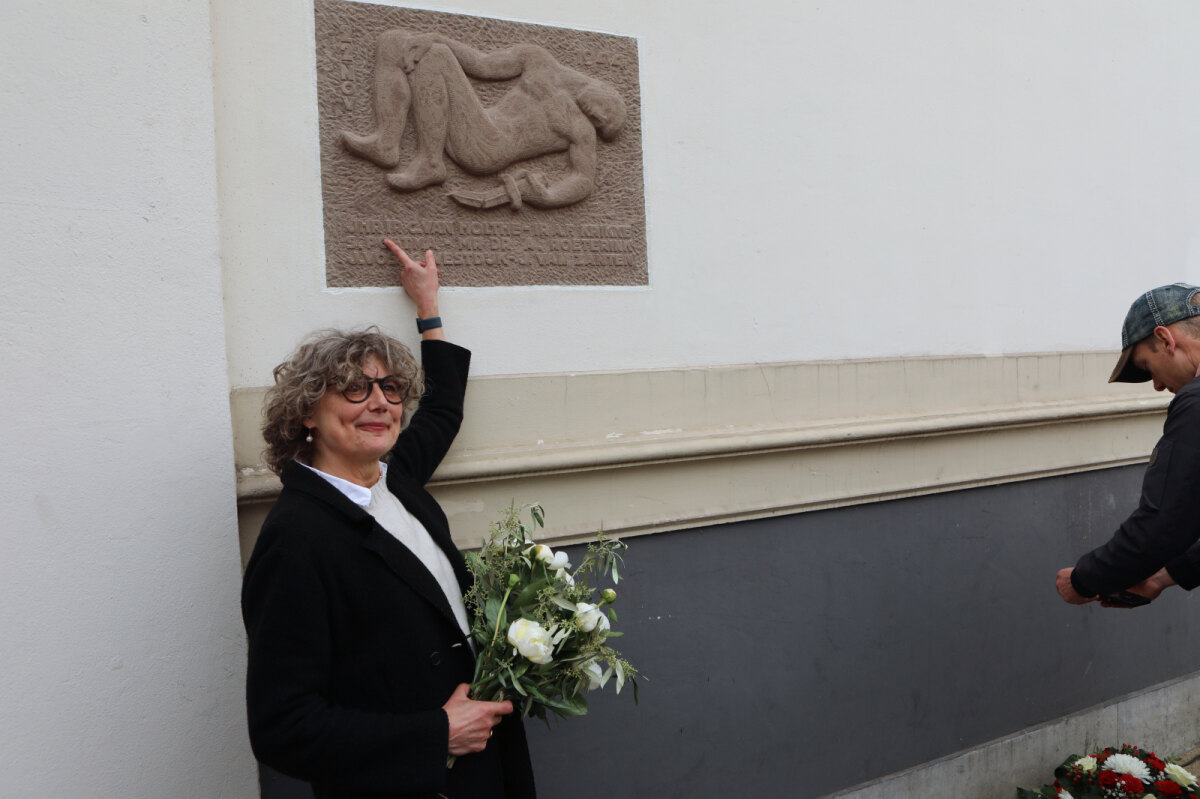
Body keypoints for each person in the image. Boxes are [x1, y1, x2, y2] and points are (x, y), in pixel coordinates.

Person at [241, 240, 536, 798]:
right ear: (306, 411)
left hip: (487, 768)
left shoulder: (394, 478)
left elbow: (444, 408)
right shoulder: (296, 541)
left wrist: (429, 310)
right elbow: (282, 729)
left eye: (390, 388)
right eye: (355, 388)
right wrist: (436, 734)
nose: (380, 402)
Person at [340, 31, 627, 209]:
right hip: (477, 120)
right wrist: (436, 36)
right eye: (608, 113)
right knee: (395, 42)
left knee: (437, 56)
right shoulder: (538, 59)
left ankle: (430, 162)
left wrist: (549, 197)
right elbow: (482, 64)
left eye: (604, 126)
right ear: (607, 90)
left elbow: (583, 178)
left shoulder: (580, 128)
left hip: (488, 149)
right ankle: (386, 142)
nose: (599, 120)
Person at [1056, 283, 1200, 607]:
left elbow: (1163, 524)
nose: (1159, 386)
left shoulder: (1196, 402)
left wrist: (1082, 579)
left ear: (1165, 340)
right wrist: (1164, 577)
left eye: (1148, 368)